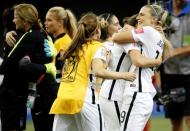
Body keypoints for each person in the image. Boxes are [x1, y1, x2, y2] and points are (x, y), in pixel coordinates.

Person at [49, 12, 136, 131]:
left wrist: (104, 64)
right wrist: (123, 75)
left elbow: (70, 71)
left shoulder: (74, 47)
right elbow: (98, 71)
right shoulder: (97, 46)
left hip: (64, 98)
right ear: (97, 30)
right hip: (85, 99)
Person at [98, 13, 161, 131]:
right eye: (116, 24)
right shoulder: (127, 40)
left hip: (114, 93)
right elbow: (138, 60)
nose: (120, 27)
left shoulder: (128, 41)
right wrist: (157, 61)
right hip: (114, 95)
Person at [0, 3, 56, 131]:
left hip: (20, 94)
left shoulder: (28, 37)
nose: (14, 20)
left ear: (25, 20)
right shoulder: (44, 35)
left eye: (16, 17)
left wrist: (45, 68)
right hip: (38, 92)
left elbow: (5, 67)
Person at [112, 4, 166, 131]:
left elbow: (116, 37)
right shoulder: (159, 38)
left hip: (136, 93)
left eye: (142, 14)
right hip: (144, 94)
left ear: (153, 19)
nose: (138, 18)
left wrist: (126, 31)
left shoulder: (148, 31)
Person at [160, 0, 190, 131]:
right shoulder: (163, 9)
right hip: (169, 74)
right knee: (175, 120)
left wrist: (171, 52)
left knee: (189, 118)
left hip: (188, 73)